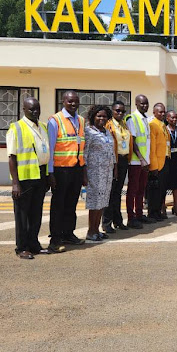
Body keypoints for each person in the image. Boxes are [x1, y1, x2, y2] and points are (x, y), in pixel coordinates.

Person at [7, 97, 57, 258]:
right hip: (24, 178)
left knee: (36, 213)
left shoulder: (43, 126)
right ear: (24, 109)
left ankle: (34, 244)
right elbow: (11, 157)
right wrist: (15, 183)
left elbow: (45, 152)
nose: (35, 112)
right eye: (31, 109)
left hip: (41, 175)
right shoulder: (16, 128)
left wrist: (48, 175)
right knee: (22, 215)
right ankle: (22, 248)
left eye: (37, 109)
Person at [48, 90, 86, 247]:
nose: (73, 104)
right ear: (63, 102)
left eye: (76, 101)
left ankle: (68, 233)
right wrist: (50, 173)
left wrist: (83, 172)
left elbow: (82, 146)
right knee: (58, 205)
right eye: (70, 101)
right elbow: (50, 148)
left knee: (71, 204)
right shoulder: (55, 120)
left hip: (76, 168)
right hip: (60, 170)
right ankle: (56, 238)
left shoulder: (81, 120)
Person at [84, 105, 116, 242]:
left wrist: (114, 168)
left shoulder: (106, 132)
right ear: (93, 117)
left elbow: (112, 152)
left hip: (107, 173)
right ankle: (91, 232)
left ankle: (97, 230)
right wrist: (84, 174)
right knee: (94, 203)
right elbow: (84, 154)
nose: (102, 118)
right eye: (99, 116)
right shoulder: (89, 132)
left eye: (104, 116)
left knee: (102, 202)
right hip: (94, 173)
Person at [102, 100, 131, 233]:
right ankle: (106, 223)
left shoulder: (123, 124)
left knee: (118, 192)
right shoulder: (109, 125)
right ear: (112, 111)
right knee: (110, 192)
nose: (120, 113)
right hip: (114, 161)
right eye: (117, 110)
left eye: (122, 111)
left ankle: (118, 221)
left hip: (123, 160)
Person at [126, 94, 150, 229]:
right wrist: (141, 158)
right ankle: (131, 217)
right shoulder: (132, 118)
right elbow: (133, 141)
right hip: (136, 162)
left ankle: (139, 214)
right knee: (133, 190)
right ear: (136, 104)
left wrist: (147, 160)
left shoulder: (145, 119)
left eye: (146, 104)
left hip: (145, 162)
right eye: (142, 104)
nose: (145, 106)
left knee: (141, 189)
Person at [148, 103, 170, 221]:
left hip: (165, 160)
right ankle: (152, 213)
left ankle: (158, 211)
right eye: (160, 112)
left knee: (162, 189)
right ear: (154, 112)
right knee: (155, 191)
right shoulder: (153, 125)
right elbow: (152, 148)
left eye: (163, 112)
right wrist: (154, 166)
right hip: (157, 163)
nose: (162, 114)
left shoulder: (163, 125)